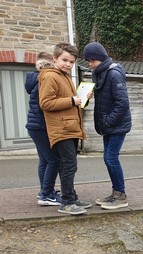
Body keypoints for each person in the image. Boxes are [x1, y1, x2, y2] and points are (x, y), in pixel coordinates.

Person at [38, 43, 92, 215]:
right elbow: (45, 103)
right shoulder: (50, 77)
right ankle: (67, 202)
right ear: (54, 59)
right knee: (69, 165)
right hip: (61, 129)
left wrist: (83, 99)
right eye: (64, 60)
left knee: (67, 165)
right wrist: (71, 100)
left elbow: (73, 103)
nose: (68, 64)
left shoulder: (65, 76)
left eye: (71, 62)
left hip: (70, 127)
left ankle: (72, 198)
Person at [83, 42, 132, 210]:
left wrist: (108, 121)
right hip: (108, 126)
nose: (90, 64)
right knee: (108, 158)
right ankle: (115, 193)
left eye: (91, 60)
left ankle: (121, 196)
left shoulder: (113, 74)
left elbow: (122, 103)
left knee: (111, 158)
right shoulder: (101, 74)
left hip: (116, 125)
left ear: (100, 58)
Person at [25, 52, 62, 206]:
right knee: (55, 160)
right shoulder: (44, 80)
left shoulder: (34, 78)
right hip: (41, 126)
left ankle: (45, 191)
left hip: (35, 126)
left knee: (45, 160)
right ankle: (46, 194)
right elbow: (46, 105)